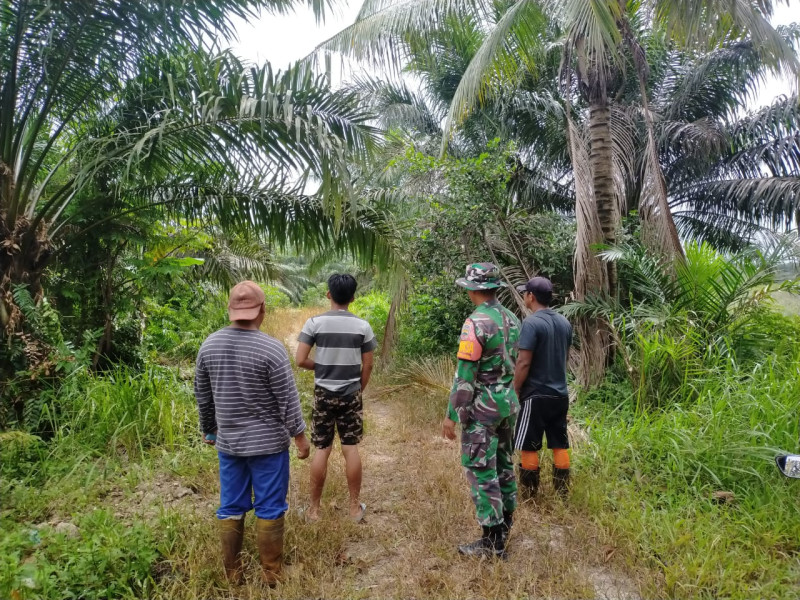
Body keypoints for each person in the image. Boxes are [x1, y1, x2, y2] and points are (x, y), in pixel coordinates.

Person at [194, 280, 310, 586]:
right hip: (269, 446)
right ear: (262, 311)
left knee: (231, 505)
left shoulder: (209, 346)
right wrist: (300, 436)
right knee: (270, 506)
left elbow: (203, 397)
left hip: (229, 444)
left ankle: (233, 575)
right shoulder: (271, 349)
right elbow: (287, 399)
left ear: (231, 311)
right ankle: (272, 574)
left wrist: (209, 430)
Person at [442, 262, 521, 558]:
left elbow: (465, 376)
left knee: (481, 469)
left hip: (483, 408)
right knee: (503, 463)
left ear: (472, 289)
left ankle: (492, 541)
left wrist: (452, 416)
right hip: (508, 403)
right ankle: (506, 523)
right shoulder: (512, 318)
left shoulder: (475, 323)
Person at [295, 273, 376, 522]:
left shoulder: (314, 324)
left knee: (322, 449)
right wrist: (357, 389)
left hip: (323, 395)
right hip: (351, 393)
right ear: (352, 297)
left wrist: (323, 367)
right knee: (350, 449)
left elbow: (300, 359)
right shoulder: (363, 326)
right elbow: (368, 365)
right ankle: (354, 509)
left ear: (329, 294)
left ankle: (314, 511)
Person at [512, 276, 573, 498]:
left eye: (524, 293)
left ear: (531, 296)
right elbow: (563, 358)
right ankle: (562, 493)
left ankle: (530, 494)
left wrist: (515, 390)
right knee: (559, 443)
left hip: (535, 395)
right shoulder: (565, 323)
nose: (524, 296)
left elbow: (524, 361)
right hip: (560, 394)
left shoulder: (531, 323)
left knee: (528, 444)